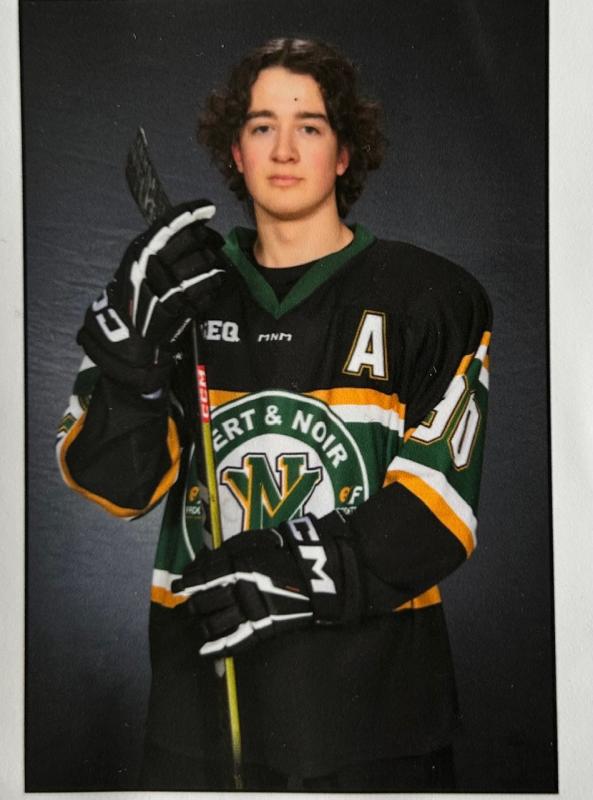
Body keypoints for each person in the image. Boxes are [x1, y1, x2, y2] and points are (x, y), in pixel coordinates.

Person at [56, 37, 492, 792]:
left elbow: (438, 510)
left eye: (310, 126)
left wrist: (288, 571)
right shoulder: (176, 294)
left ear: (344, 152)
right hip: (201, 709)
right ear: (236, 148)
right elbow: (116, 487)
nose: (284, 149)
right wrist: (133, 357)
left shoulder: (430, 297)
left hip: (379, 713)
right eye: (262, 126)